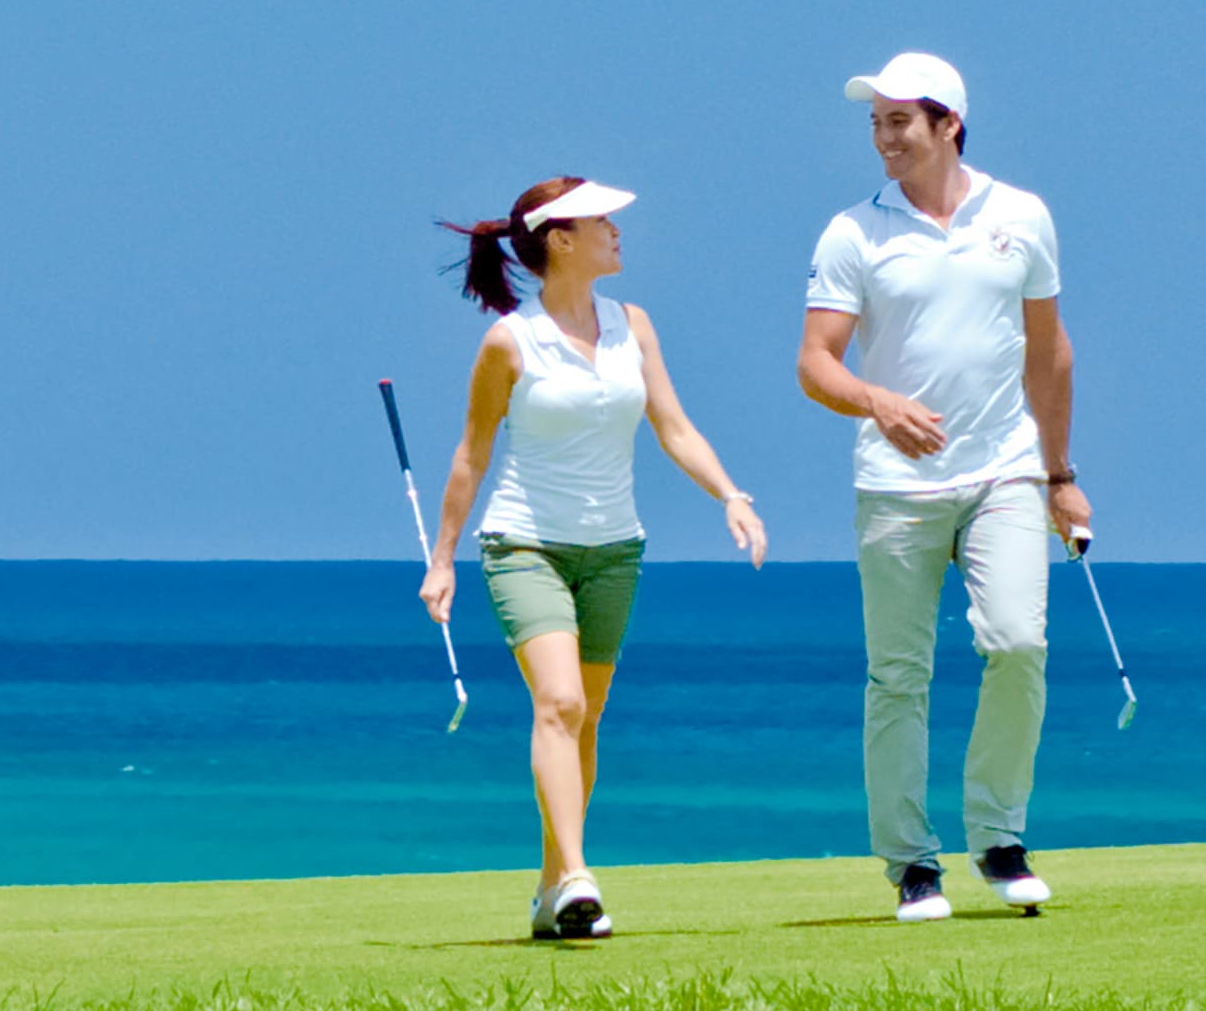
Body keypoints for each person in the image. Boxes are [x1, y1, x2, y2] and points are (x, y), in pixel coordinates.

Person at [421, 174, 767, 941]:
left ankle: (552, 890)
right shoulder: (510, 340)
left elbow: (672, 426)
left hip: (614, 549)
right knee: (559, 705)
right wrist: (443, 560)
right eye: (599, 220)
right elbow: (471, 455)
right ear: (559, 240)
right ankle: (580, 877)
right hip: (523, 546)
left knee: (587, 719)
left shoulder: (631, 324)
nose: (617, 230)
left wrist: (730, 496)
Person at [797, 53, 1093, 923]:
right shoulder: (853, 231)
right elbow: (816, 363)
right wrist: (877, 401)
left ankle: (998, 840)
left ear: (947, 124)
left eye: (900, 122)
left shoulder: (1022, 215)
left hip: (1005, 470)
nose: (885, 139)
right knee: (898, 676)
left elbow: (1048, 350)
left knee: (1015, 643)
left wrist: (1060, 474)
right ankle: (911, 864)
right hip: (895, 485)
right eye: (876, 125)